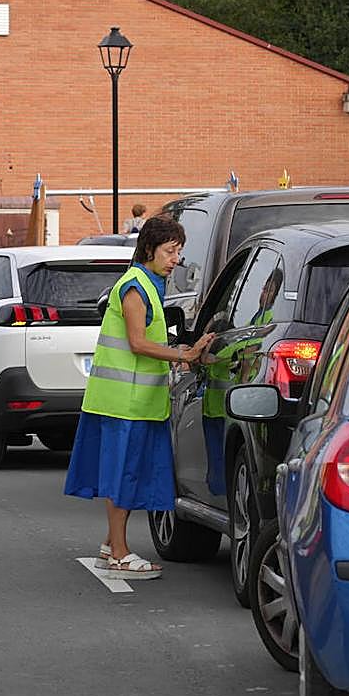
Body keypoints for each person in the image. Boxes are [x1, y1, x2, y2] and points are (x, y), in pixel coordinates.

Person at [65, 214, 213, 579]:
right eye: (170, 250)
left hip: (135, 400)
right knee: (123, 475)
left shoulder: (148, 283)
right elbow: (138, 342)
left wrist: (183, 350)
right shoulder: (135, 286)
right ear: (149, 249)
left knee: (127, 474)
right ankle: (118, 553)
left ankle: (110, 546)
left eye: (178, 251)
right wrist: (185, 355)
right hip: (124, 402)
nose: (176, 258)